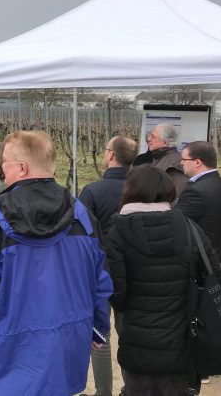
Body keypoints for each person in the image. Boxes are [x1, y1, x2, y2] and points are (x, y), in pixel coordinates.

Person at [0, 130, 112, 396]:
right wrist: (98, 328)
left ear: (22, 167)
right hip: (67, 343)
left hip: (9, 345)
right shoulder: (83, 217)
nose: (1, 170)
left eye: (4, 163)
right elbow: (100, 281)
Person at [106, 165, 221, 395]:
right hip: (181, 342)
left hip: (137, 342)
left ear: (129, 191)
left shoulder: (118, 232)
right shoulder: (190, 228)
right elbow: (215, 277)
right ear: (169, 192)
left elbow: (116, 295)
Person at [77, 135, 137, 396]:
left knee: (99, 335)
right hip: (133, 273)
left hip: (98, 271)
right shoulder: (141, 190)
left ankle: (103, 392)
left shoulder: (92, 191)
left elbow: (81, 236)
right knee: (130, 334)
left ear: (111, 155)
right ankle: (133, 388)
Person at [177, 141, 221, 263]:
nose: (181, 162)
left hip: (198, 263)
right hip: (216, 256)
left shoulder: (195, 191)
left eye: (184, 159)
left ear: (197, 162)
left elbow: (176, 224)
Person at [140, 123, 188, 199]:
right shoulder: (159, 158)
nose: (149, 139)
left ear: (165, 142)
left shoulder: (175, 162)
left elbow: (177, 193)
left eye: (153, 136)